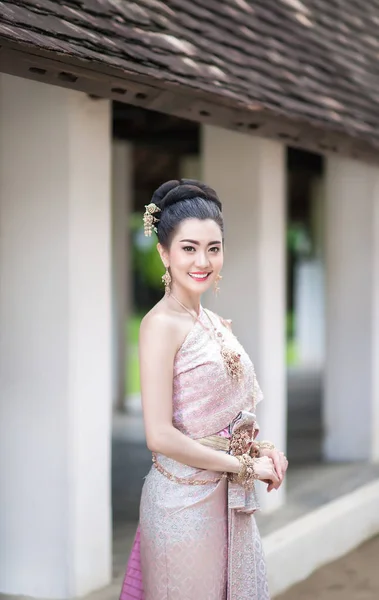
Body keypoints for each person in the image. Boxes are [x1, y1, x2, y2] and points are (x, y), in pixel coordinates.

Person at [120, 179, 288, 600]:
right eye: (189, 248)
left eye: (213, 248)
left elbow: (222, 417)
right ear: (164, 251)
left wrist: (259, 450)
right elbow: (159, 436)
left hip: (226, 497)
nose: (203, 260)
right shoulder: (160, 325)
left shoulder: (212, 321)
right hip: (183, 505)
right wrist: (245, 468)